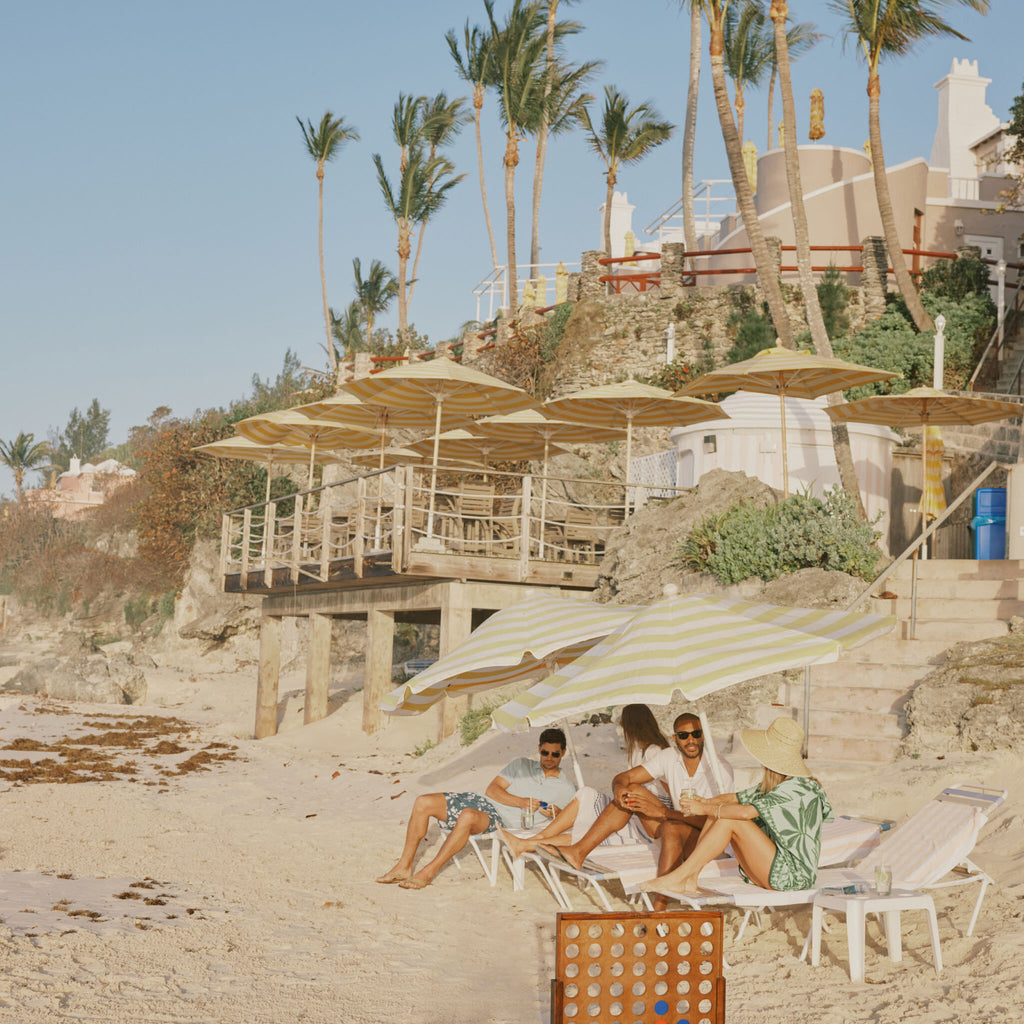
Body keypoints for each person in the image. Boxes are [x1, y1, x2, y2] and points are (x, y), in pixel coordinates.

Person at [542, 712, 734, 911]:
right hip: (677, 824)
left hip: (709, 841)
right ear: (675, 739)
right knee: (631, 792)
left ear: (703, 735)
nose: (691, 740)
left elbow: (720, 822)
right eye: (684, 736)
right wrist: (619, 789)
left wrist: (664, 812)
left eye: (696, 733)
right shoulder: (670, 757)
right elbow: (624, 777)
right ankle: (578, 852)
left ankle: (659, 908)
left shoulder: (720, 769)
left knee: (670, 827)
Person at [641, 716, 833, 897]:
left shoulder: (798, 787)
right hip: (772, 869)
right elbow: (735, 798)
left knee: (730, 819)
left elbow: (745, 812)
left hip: (793, 876)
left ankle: (680, 876)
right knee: (720, 812)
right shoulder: (782, 783)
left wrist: (704, 809)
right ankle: (690, 877)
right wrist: (705, 802)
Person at [375, 728, 577, 890]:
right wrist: (521, 802)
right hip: (479, 800)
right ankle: (404, 866)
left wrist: (557, 813)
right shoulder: (520, 765)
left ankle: (429, 871)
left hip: (499, 820)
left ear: (563, 753)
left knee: (468, 816)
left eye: (555, 754)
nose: (549, 758)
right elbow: (492, 790)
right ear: (539, 748)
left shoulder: (567, 788)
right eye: (545, 752)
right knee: (423, 802)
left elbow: (571, 818)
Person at [499, 704, 672, 858]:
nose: (621, 728)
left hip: (649, 811)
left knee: (591, 829)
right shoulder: (636, 751)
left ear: (632, 725)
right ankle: (539, 837)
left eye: (622, 723)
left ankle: (525, 845)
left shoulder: (655, 751)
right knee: (586, 793)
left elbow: (671, 790)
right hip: (632, 806)